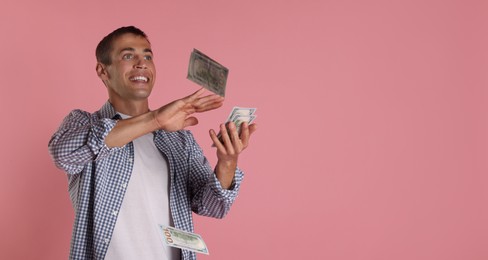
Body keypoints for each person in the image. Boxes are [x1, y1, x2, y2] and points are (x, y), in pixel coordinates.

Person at [48, 26, 257, 260]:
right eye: (128, 56)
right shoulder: (83, 122)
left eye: (148, 56)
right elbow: (63, 154)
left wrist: (227, 163)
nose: (141, 63)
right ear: (102, 71)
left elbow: (212, 207)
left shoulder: (179, 139)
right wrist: (156, 119)